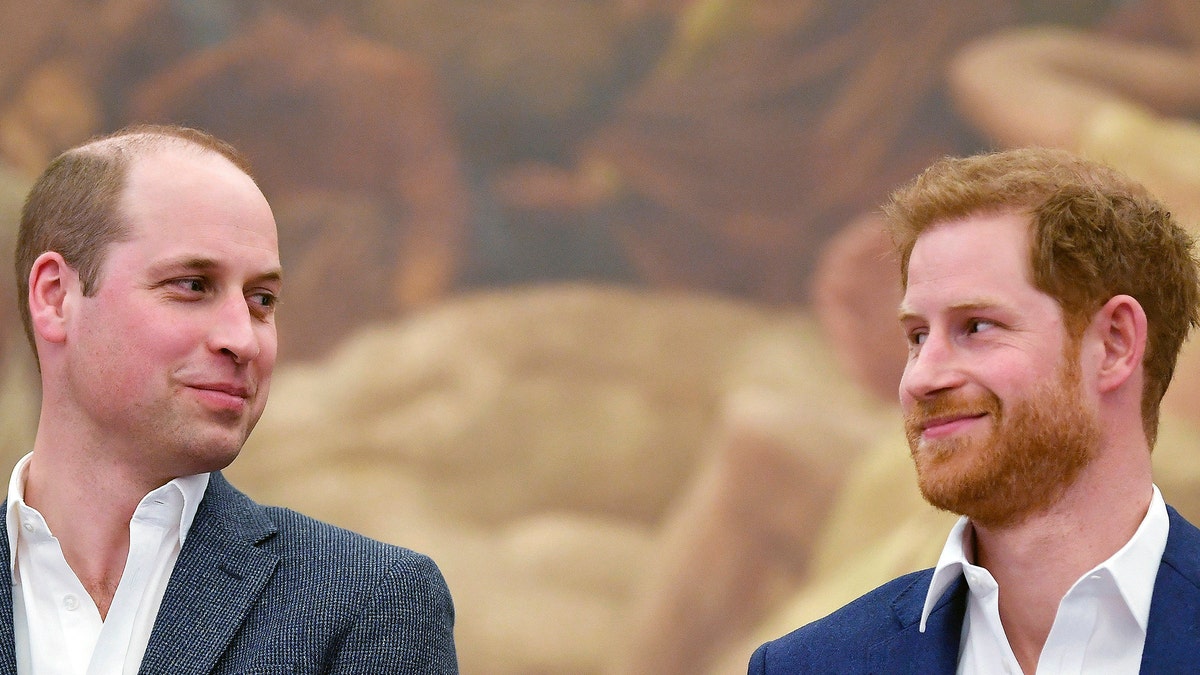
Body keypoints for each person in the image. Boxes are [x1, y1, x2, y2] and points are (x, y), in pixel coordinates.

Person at [6, 124, 457, 673]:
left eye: (261, 299)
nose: (243, 339)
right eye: (193, 285)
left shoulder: (373, 602)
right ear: (56, 298)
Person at [748, 146, 1200, 673]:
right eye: (917, 336)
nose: (921, 377)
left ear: (1116, 344)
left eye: (977, 327)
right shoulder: (810, 666)